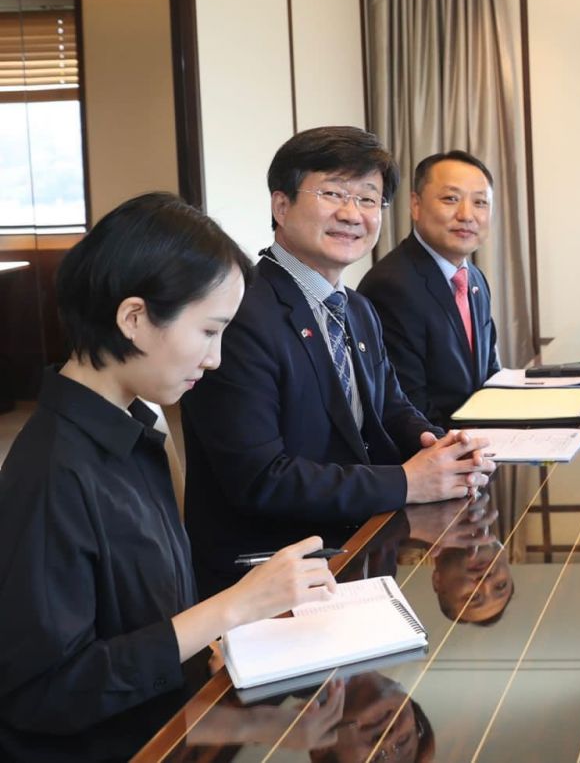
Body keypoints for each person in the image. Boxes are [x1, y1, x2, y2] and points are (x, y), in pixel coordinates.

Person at [0, 193, 337, 759]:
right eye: (208, 331)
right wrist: (232, 608)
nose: (215, 358)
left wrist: (252, 716)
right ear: (134, 318)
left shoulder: (134, 425)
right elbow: (45, 695)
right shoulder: (53, 472)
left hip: (173, 726)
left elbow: (147, 621)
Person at [183, 126, 493, 596]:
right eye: (332, 194)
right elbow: (260, 479)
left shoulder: (356, 308)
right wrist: (407, 482)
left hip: (357, 550)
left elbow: (391, 408)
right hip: (270, 575)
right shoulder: (242, 313)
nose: (352, 214)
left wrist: (444, 448)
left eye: (368, 199)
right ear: (281, 205)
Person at [360, 150, 502, 427]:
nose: (466, 215)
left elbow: (488, 373)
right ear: (415, 205)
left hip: (477, 438)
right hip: (432, 445)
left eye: (480, 202)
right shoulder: (391, 286)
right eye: (450, 199)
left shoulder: (474, 278)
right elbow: (408, 406)